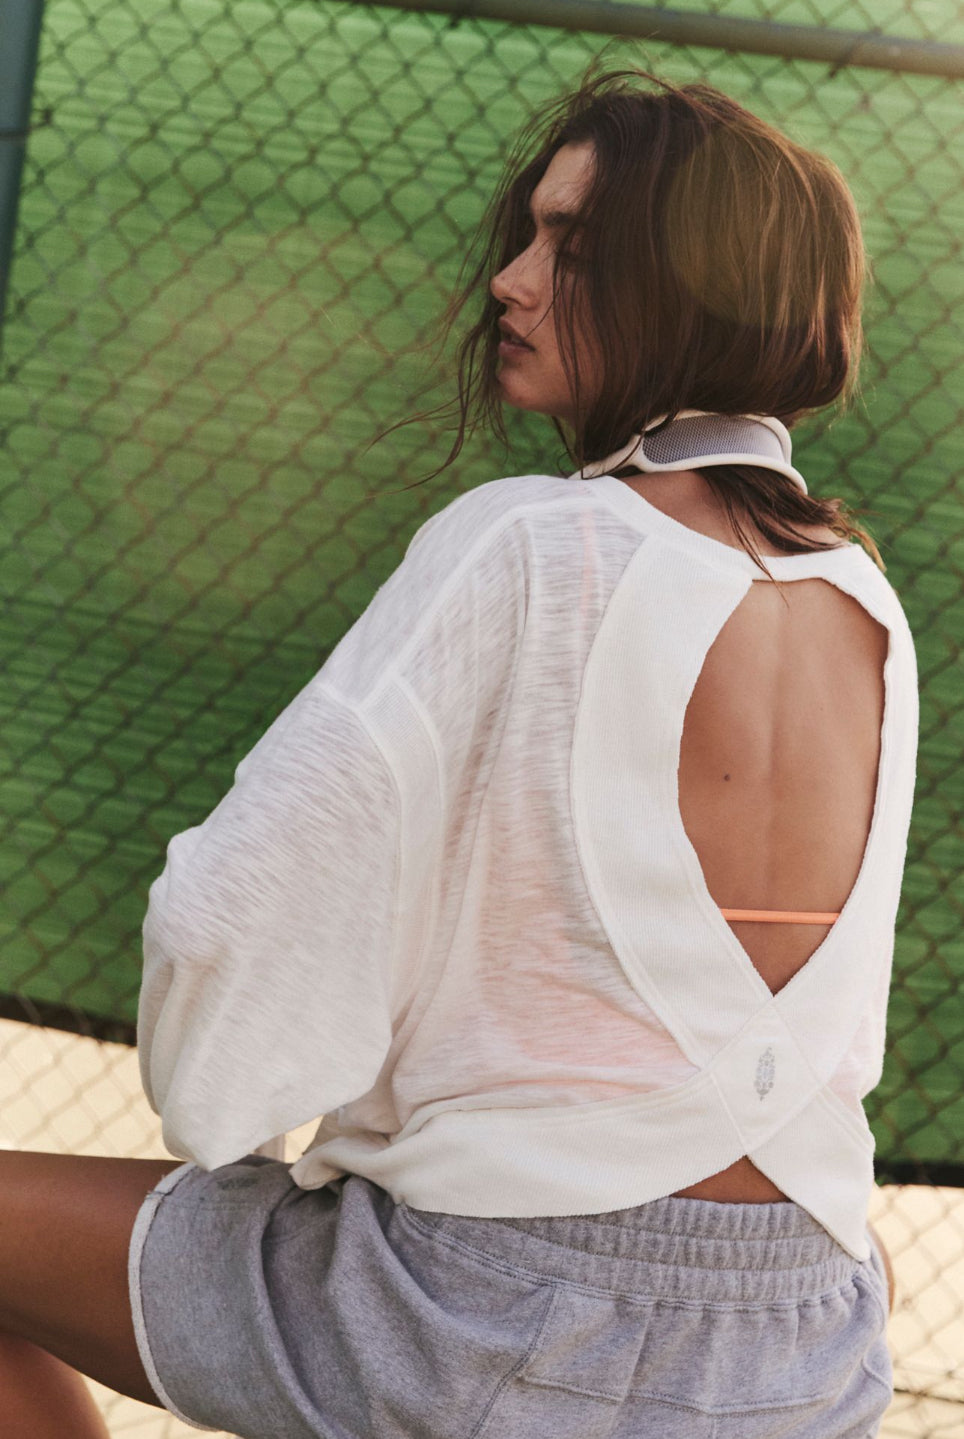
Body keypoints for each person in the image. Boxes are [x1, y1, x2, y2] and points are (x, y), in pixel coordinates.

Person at [0, 64, 915, 1439]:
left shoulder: (530, 544)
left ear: (691, 290)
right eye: (529, 235)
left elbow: (227, 915)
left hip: (488, 1321)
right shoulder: (864, 604)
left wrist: (229, 1109)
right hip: (807, 1339)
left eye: (574, 250)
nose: (510, 280)